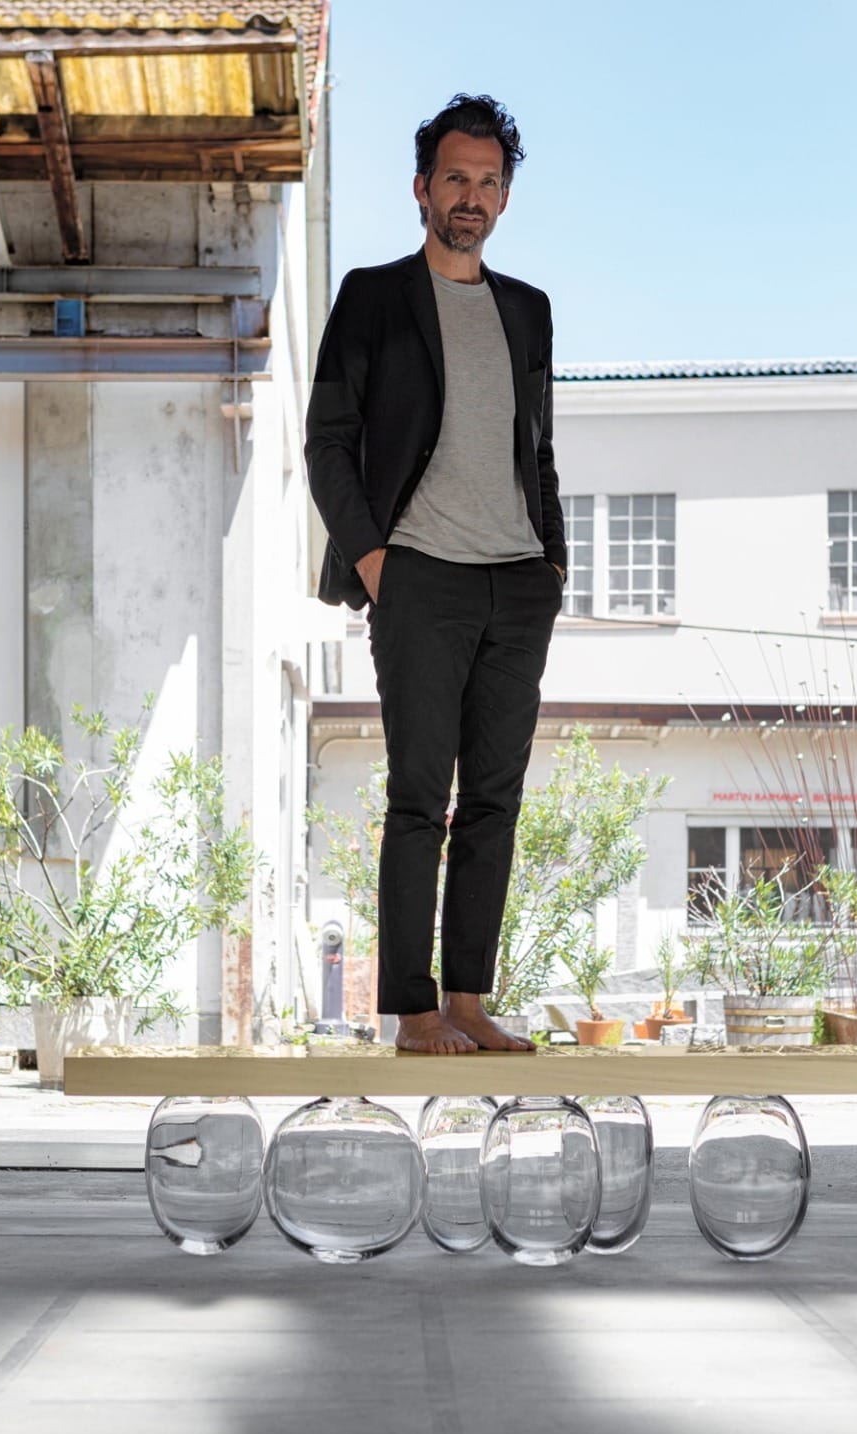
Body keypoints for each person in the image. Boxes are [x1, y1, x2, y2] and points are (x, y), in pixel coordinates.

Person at [306, 94, 566, 1054]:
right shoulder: (373, 298)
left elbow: (537, 450)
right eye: (456, 178)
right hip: (419, 579)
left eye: (489, 181)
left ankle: (466, 1003)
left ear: (504, 196)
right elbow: (327, 440)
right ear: (422, 188)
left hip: (515, 583)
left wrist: (552, 561)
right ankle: (413, 1011)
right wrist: (378, 565)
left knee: (497, 798)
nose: (472, 196)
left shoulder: (528, 311)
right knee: (421, 796)